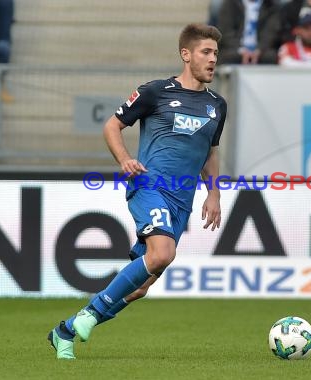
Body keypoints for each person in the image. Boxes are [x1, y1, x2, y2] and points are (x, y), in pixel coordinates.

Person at [47, 23, 227, 360]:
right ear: (186, 55)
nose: (213, 59)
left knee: (142, 286)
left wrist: (213, 193)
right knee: (162, 254)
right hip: (149, 185)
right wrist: (125, 159)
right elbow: (112, 126)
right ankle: (88, 315)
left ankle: (66, 331)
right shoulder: (155, 92)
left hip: (181, 200)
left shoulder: (217, 105)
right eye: (206, 52)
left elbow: (210, 152)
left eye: (216, 53)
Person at [216, 0, 282, 64]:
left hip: (262, 52)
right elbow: (226, 33)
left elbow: (270, 33)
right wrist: (241, 50)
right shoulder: (230, 3)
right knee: (226, 57)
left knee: (272, 57)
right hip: (235, 50)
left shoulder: (271, 4)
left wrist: (259, 50)